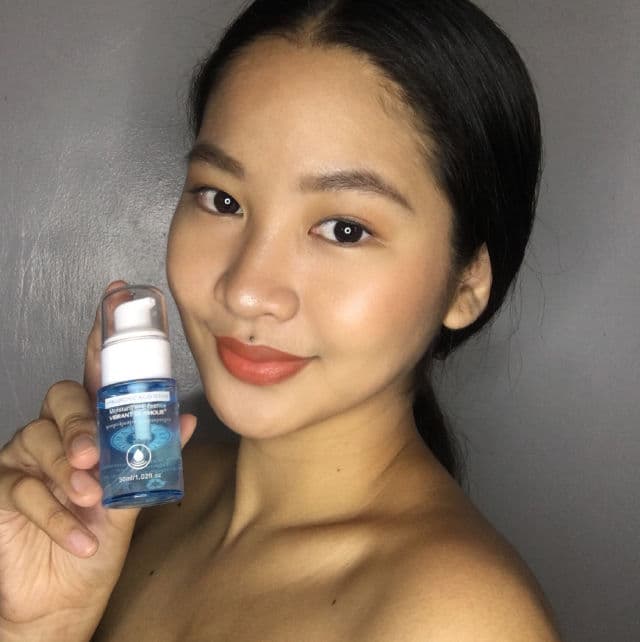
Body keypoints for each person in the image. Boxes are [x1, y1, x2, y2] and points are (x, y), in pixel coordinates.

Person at [0, 0, 562, 639]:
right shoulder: (139, 509)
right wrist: (32, 628)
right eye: (222, 199)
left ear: (466, 284)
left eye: (344, 229)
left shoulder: (458, 620)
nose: (245, 291)